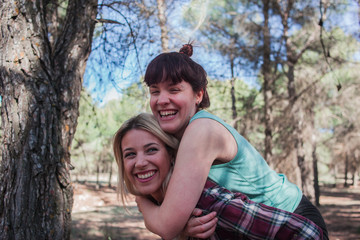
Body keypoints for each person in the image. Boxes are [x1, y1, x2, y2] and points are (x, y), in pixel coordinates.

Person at [135, 43, 328, 240]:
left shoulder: (201, 130)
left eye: (174, 90)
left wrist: (141, 200)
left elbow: (167, 226)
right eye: (155, 91)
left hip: (291, 222)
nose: (161, 100)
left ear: (198, 95)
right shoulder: (175, 138)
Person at [113, 113, 323, 240]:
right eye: (130, 154)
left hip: (296, 210)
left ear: (171, 154)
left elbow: (306, 233)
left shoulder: (206, 201)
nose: (140, 162)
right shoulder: (165, 205)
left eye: (151, 150)